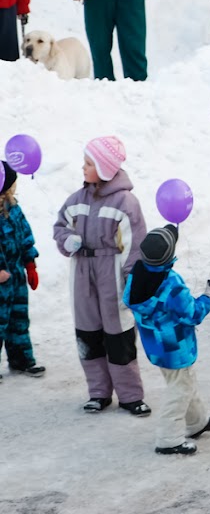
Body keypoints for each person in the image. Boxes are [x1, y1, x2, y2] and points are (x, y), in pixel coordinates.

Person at [53, 137, 150, 415]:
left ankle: (130, 395)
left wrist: (134, 281)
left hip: (113, 273)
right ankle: (98, 391)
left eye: (88, 163)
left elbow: (135, 246)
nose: (82, 168)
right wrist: (68, 240)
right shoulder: (76, 200)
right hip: (82, 272)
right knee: (88, 332)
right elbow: (60, 226)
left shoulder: (126, 203)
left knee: (117, 333)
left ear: (105, 168)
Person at [124, 225, 210, 455]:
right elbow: (192, 314)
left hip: (155, 345)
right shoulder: (172, 283)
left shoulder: (137, 273)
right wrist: (209, 298)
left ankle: (197, 421)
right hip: (176, 346)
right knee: (179, 388)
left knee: (183, 382)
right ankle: (168, 438)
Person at [0, 162, 44, 378]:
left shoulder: (14, 209)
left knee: (19, 319)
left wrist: (30, 264)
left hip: (15, 276)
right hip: (0, 279)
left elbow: (25, 237)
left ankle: (21, 359)